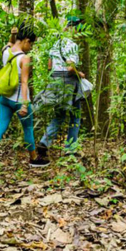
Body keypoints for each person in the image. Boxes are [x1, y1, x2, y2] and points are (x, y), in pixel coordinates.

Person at [0, 26, 49, 168]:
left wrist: (12, 35)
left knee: (1, 127)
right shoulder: (25, 59)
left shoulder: (6, 51)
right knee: (28, 128)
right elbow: (24, 82)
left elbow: (10, 43)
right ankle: (34, 159)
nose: (30, 47)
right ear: (25, 40)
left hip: (5, 98)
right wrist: (25, 104)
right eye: (31, 43)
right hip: (19, 100)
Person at [38, 16, 85, 158]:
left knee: (59, 115)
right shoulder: (72, 45)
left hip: (55, 81)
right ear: (74, 28)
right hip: (69, 82)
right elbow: (70, 68)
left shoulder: (56, 44)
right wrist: (80, 74)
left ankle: (44, 142)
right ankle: (70, 148)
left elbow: (49, 66)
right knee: (75, 116)